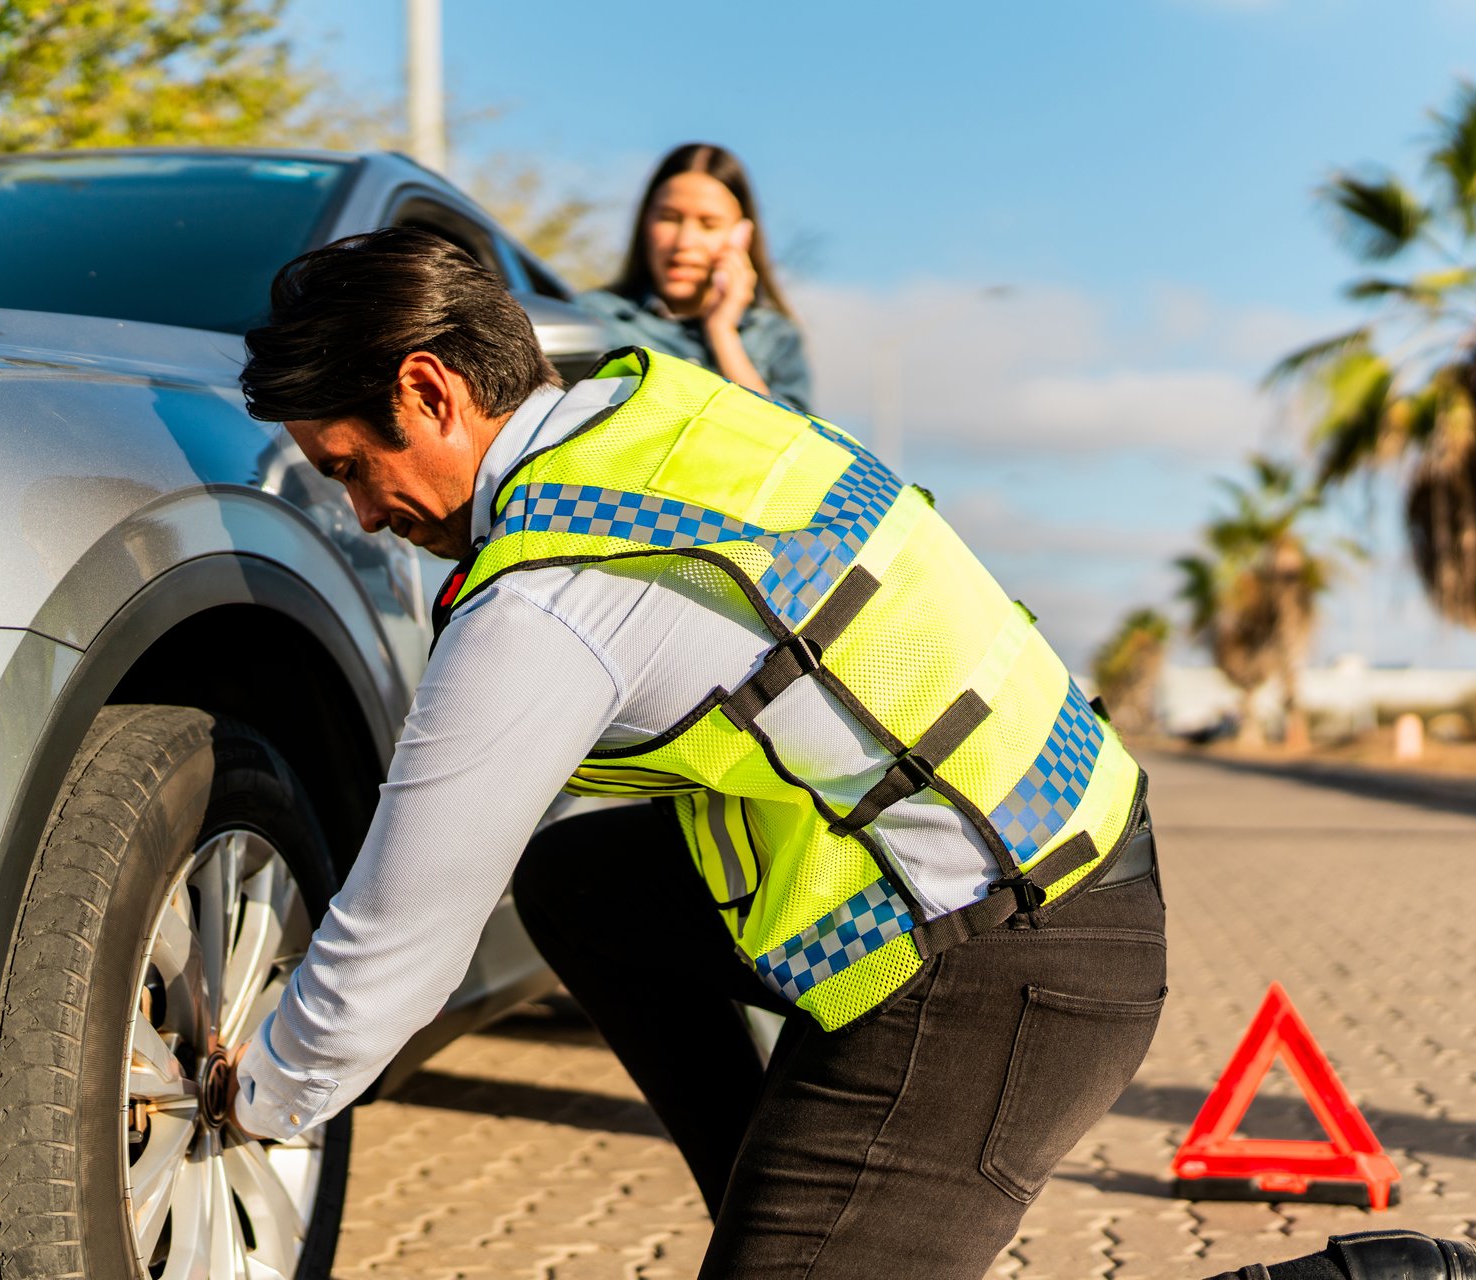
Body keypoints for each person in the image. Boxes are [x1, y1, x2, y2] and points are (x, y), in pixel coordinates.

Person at [229, 226, 1164, 1278]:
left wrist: (252, 1090)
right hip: (1049, 859)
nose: (361, 514)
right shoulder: (659, 416)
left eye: (352, 466)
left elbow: (399, 940)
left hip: (1008, 957)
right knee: (582, 884)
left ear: (431, 390)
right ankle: (797, 1216)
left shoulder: (547, 596)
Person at [578, 142, 812, 411]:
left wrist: (723, 333)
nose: (684, 241)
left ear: (742, 235)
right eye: (669, 218)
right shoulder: (593, 318)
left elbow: (783, 441)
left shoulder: (775, 337)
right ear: (645, 223)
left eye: (708, 224)